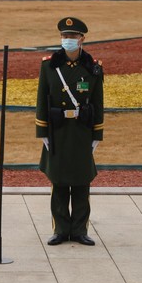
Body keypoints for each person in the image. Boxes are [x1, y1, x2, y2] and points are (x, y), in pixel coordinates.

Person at [35, 16, 104, 246]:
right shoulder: (49, 66)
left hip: (81, 132)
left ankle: (80, 230)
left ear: (82, 38)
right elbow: (42, 100)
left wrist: (97, 134)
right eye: (64, 36)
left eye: (72, 37)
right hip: (59, 132)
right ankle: (61, 229)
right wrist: (42, 131)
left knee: (82, 183)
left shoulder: (92, 68)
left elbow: (98, 101)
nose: (68, 40)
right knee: (60, 182)